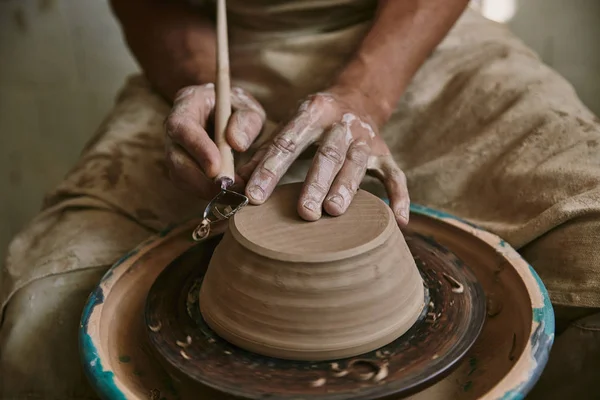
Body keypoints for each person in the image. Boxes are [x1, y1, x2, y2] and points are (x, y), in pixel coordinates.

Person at [1, 0, 600, 398]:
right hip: (222, 48)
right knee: (39, 318)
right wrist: (206, 78)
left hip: (417, 39)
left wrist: (366, 95)